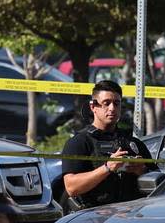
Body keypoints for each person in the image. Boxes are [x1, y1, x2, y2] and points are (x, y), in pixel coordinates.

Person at [61, 80, 153, 211]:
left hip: (131, 217)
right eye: (106, 103)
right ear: (93, 107)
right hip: (93, 218)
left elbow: (159, 182)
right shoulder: (79, 142)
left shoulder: (133, 143)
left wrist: (141, 170)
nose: (112, 108)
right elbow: (71, 187)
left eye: (116, 103)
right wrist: (107, 168)